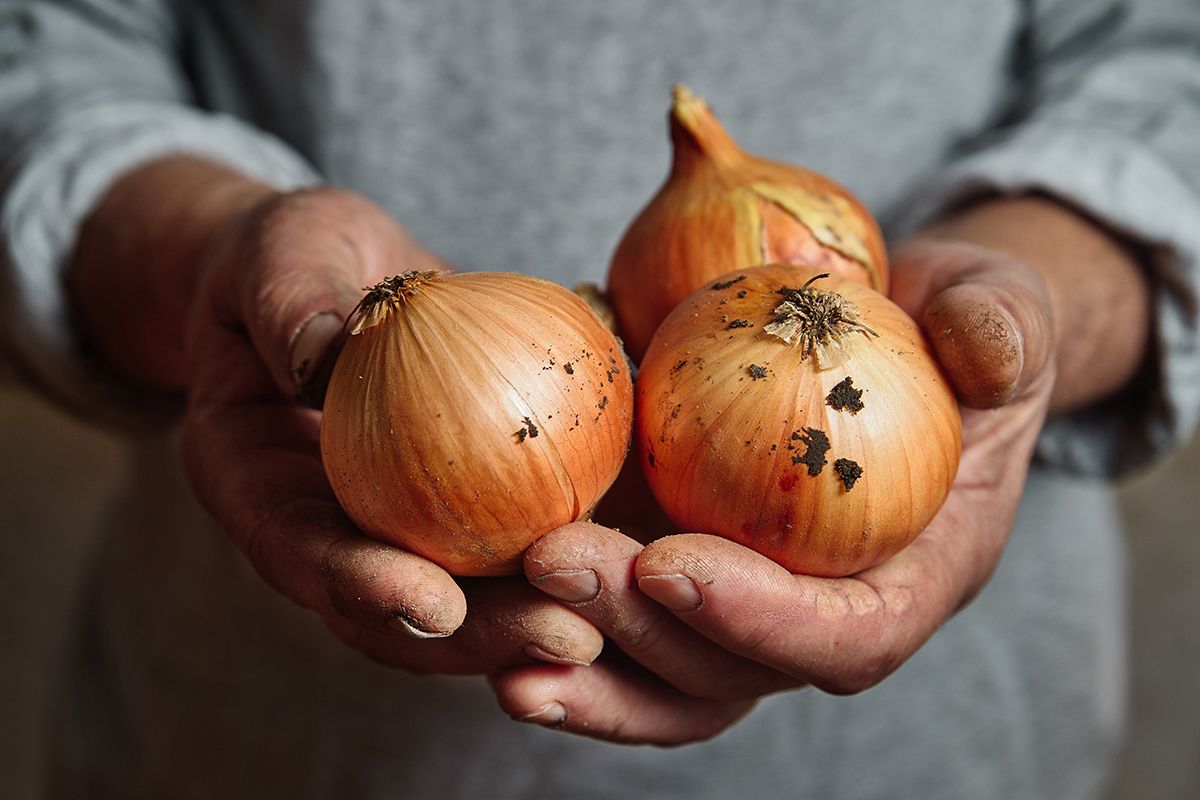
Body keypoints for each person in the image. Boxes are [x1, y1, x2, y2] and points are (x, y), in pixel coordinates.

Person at [1, 0, 1197, 797]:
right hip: (260, 736)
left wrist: (1042, 281)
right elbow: (43, 52)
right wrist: (211, 253)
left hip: (942, 754)